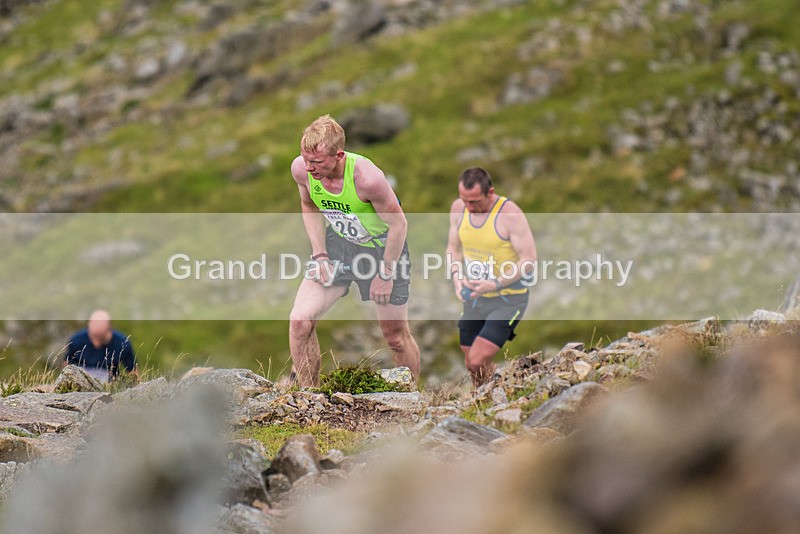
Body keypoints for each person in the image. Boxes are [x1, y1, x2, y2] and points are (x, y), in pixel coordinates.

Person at [288, 114, 421, 387]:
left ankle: (410, 398)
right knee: (300, 321)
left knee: (394, 336)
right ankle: (308, 399)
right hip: (338, 246)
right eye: (306, 159)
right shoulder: (301, 170)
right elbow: (310, 205)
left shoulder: (368, 179)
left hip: (382, 250)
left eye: (317, 162)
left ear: (338, 155)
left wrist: (385, 274)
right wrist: (320, 254)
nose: (309, 167)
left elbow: (399, 225)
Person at [446, 167, 538, 387]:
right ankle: (488, 399)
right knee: (471, 362)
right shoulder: (459, 209)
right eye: (464, 200)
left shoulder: (510, 215)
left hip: (507, 299)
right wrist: (457, 278)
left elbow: (529, 259)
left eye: (475, 202)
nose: (469, 207)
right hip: (475, 296)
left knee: (478, 359)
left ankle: (505, 388)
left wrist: (495, 284)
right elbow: (453, 248)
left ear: (490, 192)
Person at [63, 310, 137, 382]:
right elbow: (66, 365)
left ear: (109, 329)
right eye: (93, 337)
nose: (96, 343)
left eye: (100, 337)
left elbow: (133, 372)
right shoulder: (76, 340)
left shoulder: (122, 344)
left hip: (109, 384)